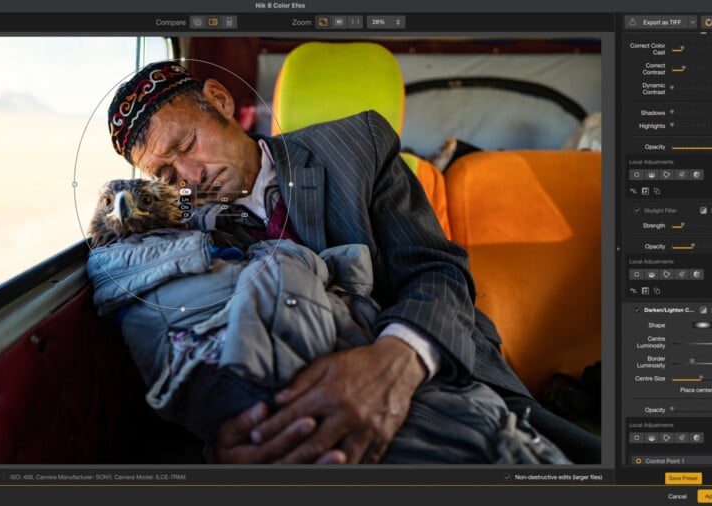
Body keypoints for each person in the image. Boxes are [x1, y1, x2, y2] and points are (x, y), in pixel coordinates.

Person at [108, 61, 601, 464]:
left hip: (443, 370)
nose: (191, 179)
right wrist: (224, 441)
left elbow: (437, 271)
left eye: (187, 145)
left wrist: (395, 363)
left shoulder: (357, 146)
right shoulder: (174, 232)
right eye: (166, 173)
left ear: (219, 101)